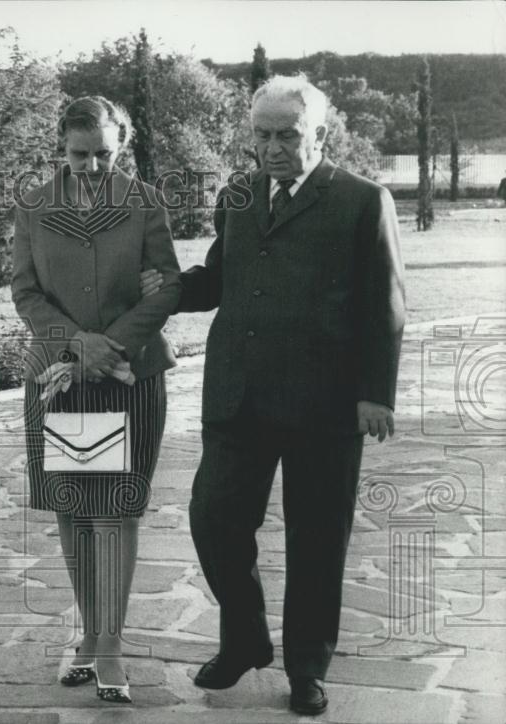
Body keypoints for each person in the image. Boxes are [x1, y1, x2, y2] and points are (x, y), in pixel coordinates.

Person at [171, 75, 405, 716]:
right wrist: (160, 287)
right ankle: (246, 638)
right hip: (239, 395)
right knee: (212, 517)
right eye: (261, 135)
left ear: (320, 135)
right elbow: (222, 276)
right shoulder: (240, 196)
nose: (271, 148)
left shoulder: (363, 201)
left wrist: (374, 394)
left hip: (325, 405)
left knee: (317, 539)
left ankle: (307, 670)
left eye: (287, 135)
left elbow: (384, 305)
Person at [12, 96, 182, 705]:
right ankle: (89, 634)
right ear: (61, 146)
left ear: (122, 147)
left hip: (128, 376)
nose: (91, 165)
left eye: (104, 154)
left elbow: (168, 287)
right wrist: (76, 343)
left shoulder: (143, 203)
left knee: (115, 510)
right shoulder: (34, 206)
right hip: (62, 376)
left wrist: (111, 346)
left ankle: (108, 643)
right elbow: (25, 292)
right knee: (76, 509)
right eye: (80, 154)